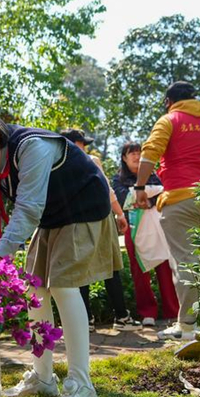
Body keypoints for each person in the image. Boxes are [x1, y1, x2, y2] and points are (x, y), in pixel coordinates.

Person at [0, 108, 120, 397]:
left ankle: (82, 386)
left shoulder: (31, 146)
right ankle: (43, 377)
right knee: (33, 290)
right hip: (52, 220)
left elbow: (27, 211)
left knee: (64, 285)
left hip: (84, 211)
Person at [134, 81, 200, 341]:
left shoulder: (169, 120)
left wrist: (139, 186)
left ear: (169, 101)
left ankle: (187, 326)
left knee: (186, 261)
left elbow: (150, 152)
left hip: (179, 200)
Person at [65, 129, 137, 330]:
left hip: (74, 221)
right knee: (109, 266)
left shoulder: (56, 164)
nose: (85, 148)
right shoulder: (90, 160)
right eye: (82, 143)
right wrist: (119, 214)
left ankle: (85, 319)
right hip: (99, 218)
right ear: (72, 143)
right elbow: (108, 190)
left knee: (82, 269)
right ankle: (121, 317)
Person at [112, 141, 179, 327]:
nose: (136, 156)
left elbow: (165, 195)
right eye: (131, 153)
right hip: (134, 229)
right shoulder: (118, 180)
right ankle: (147, 312)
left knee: (165, 267)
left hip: (159, 228)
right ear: (124, 158)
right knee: (139, 271)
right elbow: (123, 198)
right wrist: (149, 195)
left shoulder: (154, 177)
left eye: (139, 152)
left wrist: (145, 199)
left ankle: (172, 311)